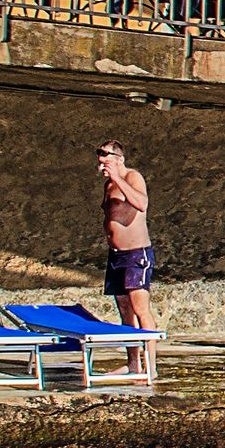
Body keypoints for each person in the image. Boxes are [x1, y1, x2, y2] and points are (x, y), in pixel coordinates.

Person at [98, 142, 155, 331]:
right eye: (100, 159)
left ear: (119, 159)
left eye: (106, 158)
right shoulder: (109, 185)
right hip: (116, 256)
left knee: (140, 308)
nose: (101, 163)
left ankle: (150, 361)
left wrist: (117, 177)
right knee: (124, 309)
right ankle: (133, 361)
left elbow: (141, 203)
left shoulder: (132, 177)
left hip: (135, 254)